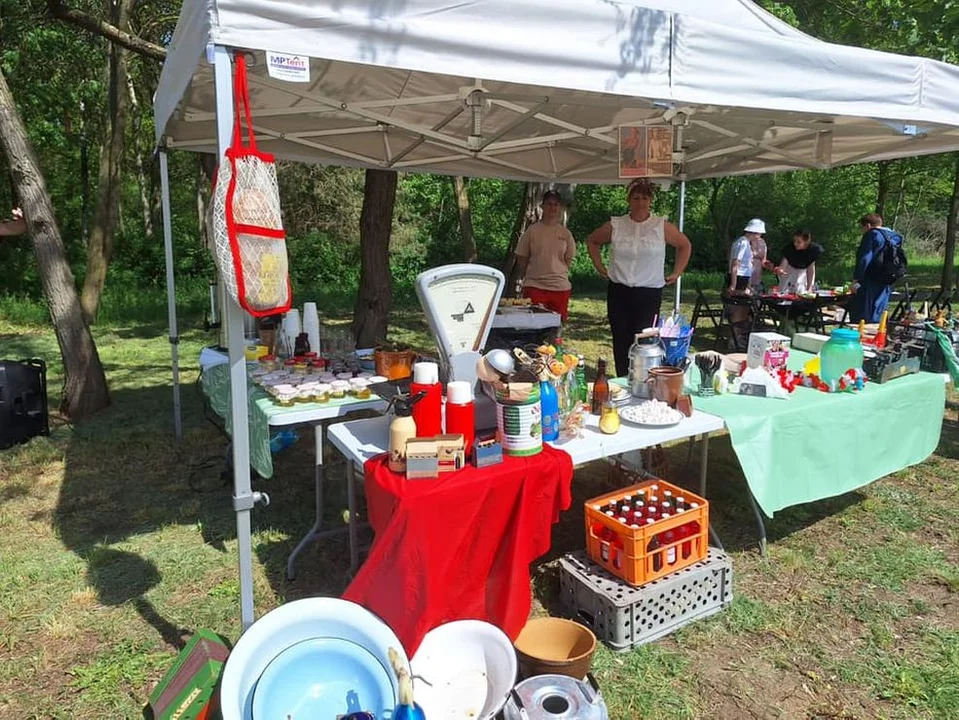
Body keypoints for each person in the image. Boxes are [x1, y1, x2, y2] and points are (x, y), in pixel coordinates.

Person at [586, 178, 692, 377]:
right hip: (619, 290)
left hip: (648, 292)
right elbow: (592, 240)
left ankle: (642, 379)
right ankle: (622, 378)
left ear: (650, 200)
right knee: (621, 337)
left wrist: (677, 272)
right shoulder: (616, 224)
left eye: (644, 198)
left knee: (643, 339)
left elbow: (684, 245)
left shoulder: (661, 225)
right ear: (629, 200)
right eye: (636, 197)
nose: (640, 202)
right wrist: (599, 266)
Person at [514, 190, 576, 322]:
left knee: (556, 326)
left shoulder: (565, 233)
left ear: (560, 208)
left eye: (555, 204)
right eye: (549, 204)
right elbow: (522, 257)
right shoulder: (532, 231)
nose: (552, 207)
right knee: (535, 325)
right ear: (542, 206)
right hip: (535, 286)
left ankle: (554, 343)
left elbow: (568, 259)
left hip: (560, 287)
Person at [849, 213, 904, 323]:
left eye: (862, 228)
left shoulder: (872, 234)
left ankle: (862, 334)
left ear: (868, 226)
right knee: (879, 310)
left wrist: (856, 280)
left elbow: (865, 258)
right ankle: (878, 332)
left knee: (863, 312)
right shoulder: (895, 236)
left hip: (870, 278)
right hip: (888, 278)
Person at [775, 229, 823, 294]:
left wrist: (809, 288)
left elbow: (810, 270)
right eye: (794, 241)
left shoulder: (812, 250)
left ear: (806, 242)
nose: (795, 244)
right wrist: (780, 270)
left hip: (803, 271)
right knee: (783, 291)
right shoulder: (789, 248)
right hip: (790, 269)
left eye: (799, 242)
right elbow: (784, 263)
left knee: (802, 292)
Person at [728, 218, 765, 293]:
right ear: (755, 232)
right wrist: (733, 285)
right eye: (760, 234)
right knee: (741, 303)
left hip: (744, 278)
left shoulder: (746, 243)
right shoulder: (743, 243)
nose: (760, 236)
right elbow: (735, 263)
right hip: (739, 279)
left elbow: (746, 266)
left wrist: (748, 286)